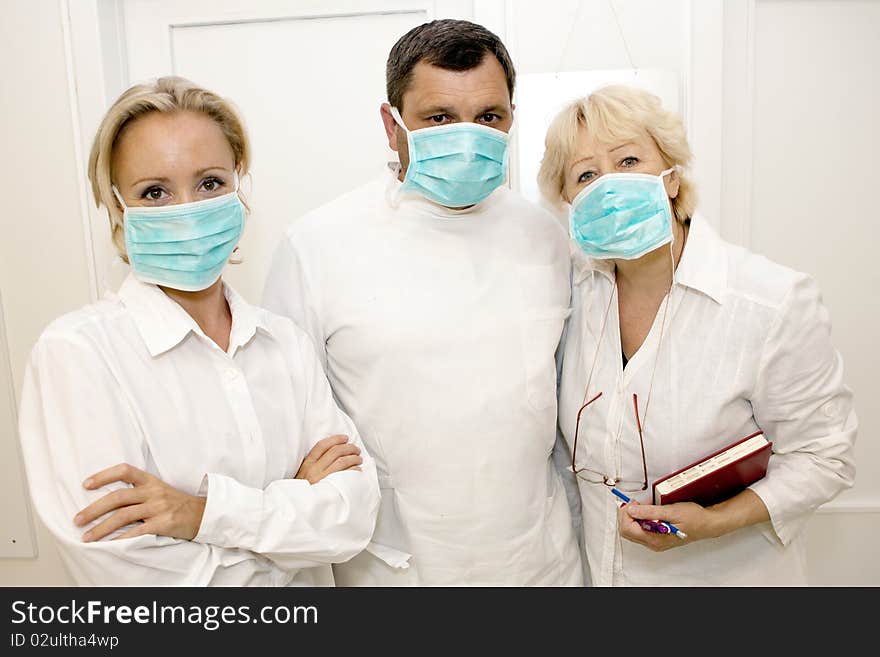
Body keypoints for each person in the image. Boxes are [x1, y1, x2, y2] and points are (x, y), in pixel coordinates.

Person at [17, 76, 380, 586]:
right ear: (118, 206)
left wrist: (199, 515)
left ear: (238, 183)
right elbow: (129, 577)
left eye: (209, 183)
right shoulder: (78, 355)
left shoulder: (285, 344)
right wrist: (290, 528)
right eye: (155, 192)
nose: (187, 210)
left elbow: (352, 520)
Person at [263, 19, 583, 586]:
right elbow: (285, 425)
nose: (468, 136)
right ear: (392, 126)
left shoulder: (548, 235)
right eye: (439, 118)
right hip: (397, 567)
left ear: (512, 117)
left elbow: (570, 405)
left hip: (539, 560)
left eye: (489, 117)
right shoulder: (318, 245)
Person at [538, 84, 857, 586]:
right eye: (585, 175)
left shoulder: (770, 302)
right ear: (569, 203)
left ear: (670, 175)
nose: (608, 186)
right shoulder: (569, 301)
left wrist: (714, 521)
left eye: (627, 161)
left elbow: (824, 457)